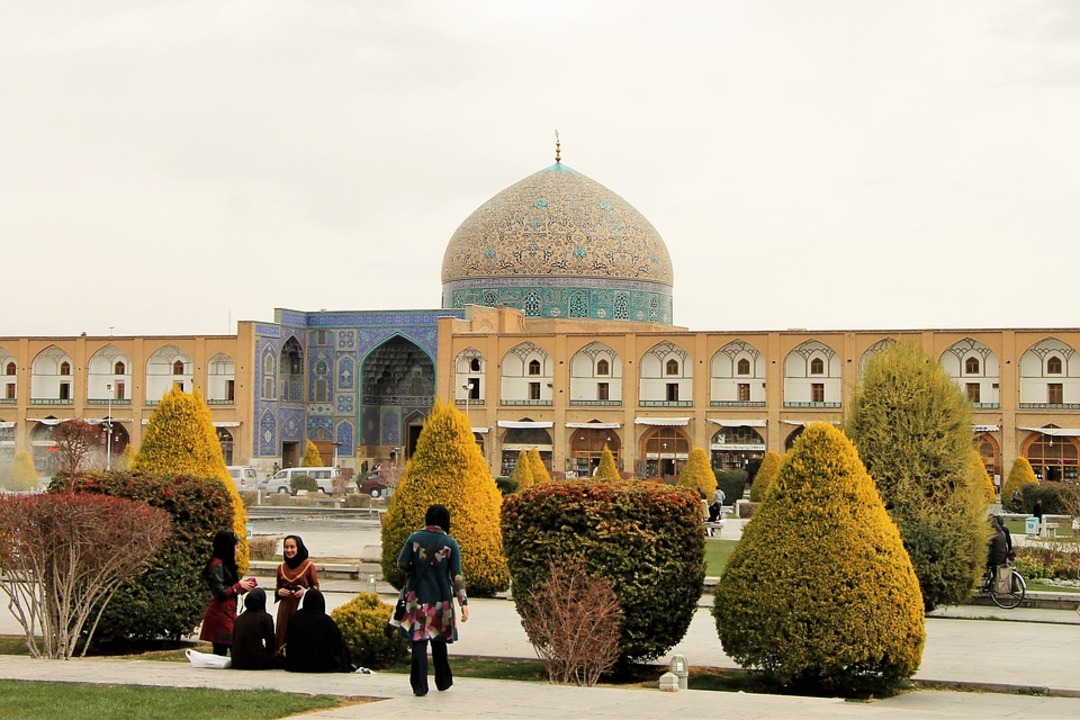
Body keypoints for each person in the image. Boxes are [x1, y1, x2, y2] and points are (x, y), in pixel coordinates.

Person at [397, 504, 469, 697]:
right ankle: (443, 680)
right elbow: (457, 576)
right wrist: (463, 604)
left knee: (418, 641)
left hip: (417, 598)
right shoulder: (450, 543)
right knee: (439, 640)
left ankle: (420, 685)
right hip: (441, 598)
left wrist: (414, 569)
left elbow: (402, 563)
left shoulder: (414, 538)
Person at [199, 531, 256, 656]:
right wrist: (238, 586)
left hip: (228, 611)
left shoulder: (225, 564)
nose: (238, 551)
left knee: (229, 647)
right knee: (226, 647)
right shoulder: (217, 565)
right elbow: (220, 591)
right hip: (220, 614)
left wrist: (242, 587)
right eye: (236, 547)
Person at [283, 589, 353, 673]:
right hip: (323, 665)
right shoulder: (326, 621)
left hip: (296, 664)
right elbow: (337, 644)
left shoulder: (295, 618)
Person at [274, 534, 319, 652]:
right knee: (283, 633)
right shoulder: (281, 567)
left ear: (298, 548)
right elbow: (277, 587)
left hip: (301, 607)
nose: (289, 550)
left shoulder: (309, 566)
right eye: (286, 547)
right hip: (285, 607)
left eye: (292, 547)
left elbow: (316, 588)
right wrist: (279, 592)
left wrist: (305, 592)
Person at [231, 587, 279, 670]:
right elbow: (270, 641)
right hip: (257, 661)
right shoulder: (265, 618)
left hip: (238, 661)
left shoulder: (239, 618)